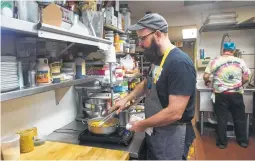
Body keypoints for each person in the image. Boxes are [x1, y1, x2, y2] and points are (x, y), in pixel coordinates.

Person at [111, 13, 196, 160]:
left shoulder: (179, 63)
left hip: (172, 134)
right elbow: (147, 83)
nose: (140, 44)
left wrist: (142, 124)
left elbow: (174, 113)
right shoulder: (158, 60)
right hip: (157, 130)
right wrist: (126, 99)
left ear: (157, 34)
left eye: (142, 38)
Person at [203, 42, 251, 149]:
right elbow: (247, 78)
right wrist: (239, 85)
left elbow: (206, 76)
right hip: (236, 94)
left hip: (221, 94)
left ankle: (222, 143)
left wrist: (207, 81)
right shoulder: (240, 61)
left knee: (222, 119)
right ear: (233, 51)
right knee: (239, 118)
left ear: (223, 50)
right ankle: (242, 141)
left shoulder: (215, 61)